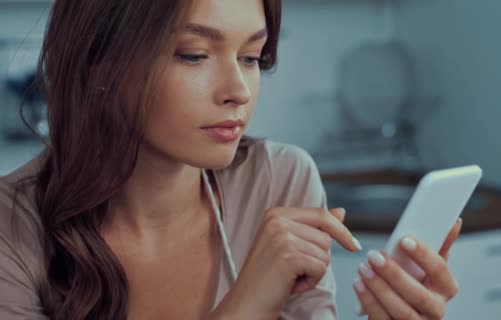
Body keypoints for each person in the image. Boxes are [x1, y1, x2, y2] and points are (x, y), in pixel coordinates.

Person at [0, 0, 462, 319]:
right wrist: (248, 305)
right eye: (194, 55)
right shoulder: (12, 225)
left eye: (252, 58)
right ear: (99, 60)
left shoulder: (281, 181)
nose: (238, 91)